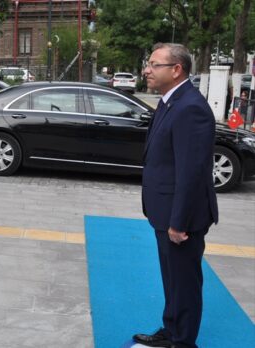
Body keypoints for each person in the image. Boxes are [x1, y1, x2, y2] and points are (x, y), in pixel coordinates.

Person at [133, 43, 218, 348]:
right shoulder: (171, 101)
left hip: (181, 218)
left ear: (176, 70)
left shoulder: (190, 107)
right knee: (172, 280)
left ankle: (183, 342)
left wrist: (178, 222)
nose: (147, 70)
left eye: (155, 65)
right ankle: (171, 331)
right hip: (164, 210)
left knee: (184, 282)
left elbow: (191, 173)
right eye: (149, 63)